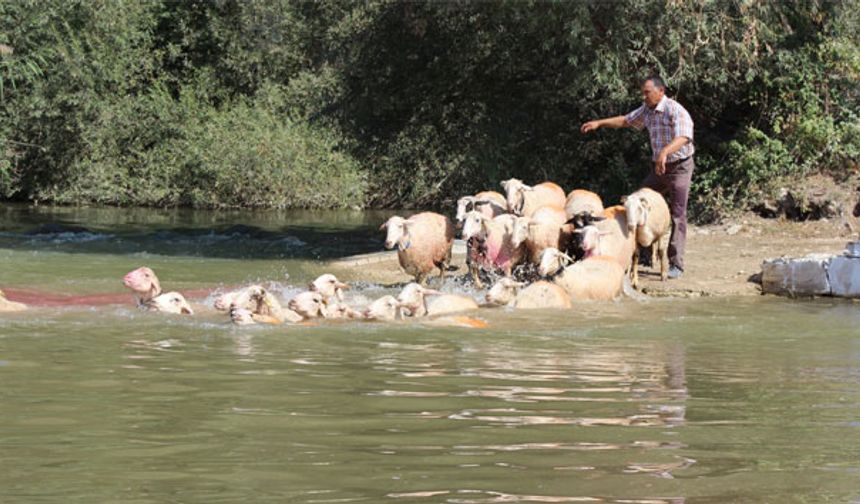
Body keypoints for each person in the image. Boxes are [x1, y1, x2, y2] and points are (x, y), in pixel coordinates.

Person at [580, 76, 694, 279]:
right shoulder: (647, 110)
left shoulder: (675, 110)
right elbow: (625, 120)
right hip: (658, 168)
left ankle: (676, 264)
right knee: (636, 203)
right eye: (643, 92)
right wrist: (599, 123)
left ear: (661, 91)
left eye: (647, 92)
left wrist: (664, 152)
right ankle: (642, 253)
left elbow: (684, 138)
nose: (644, 96)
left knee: (678, 215)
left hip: (679, 167)